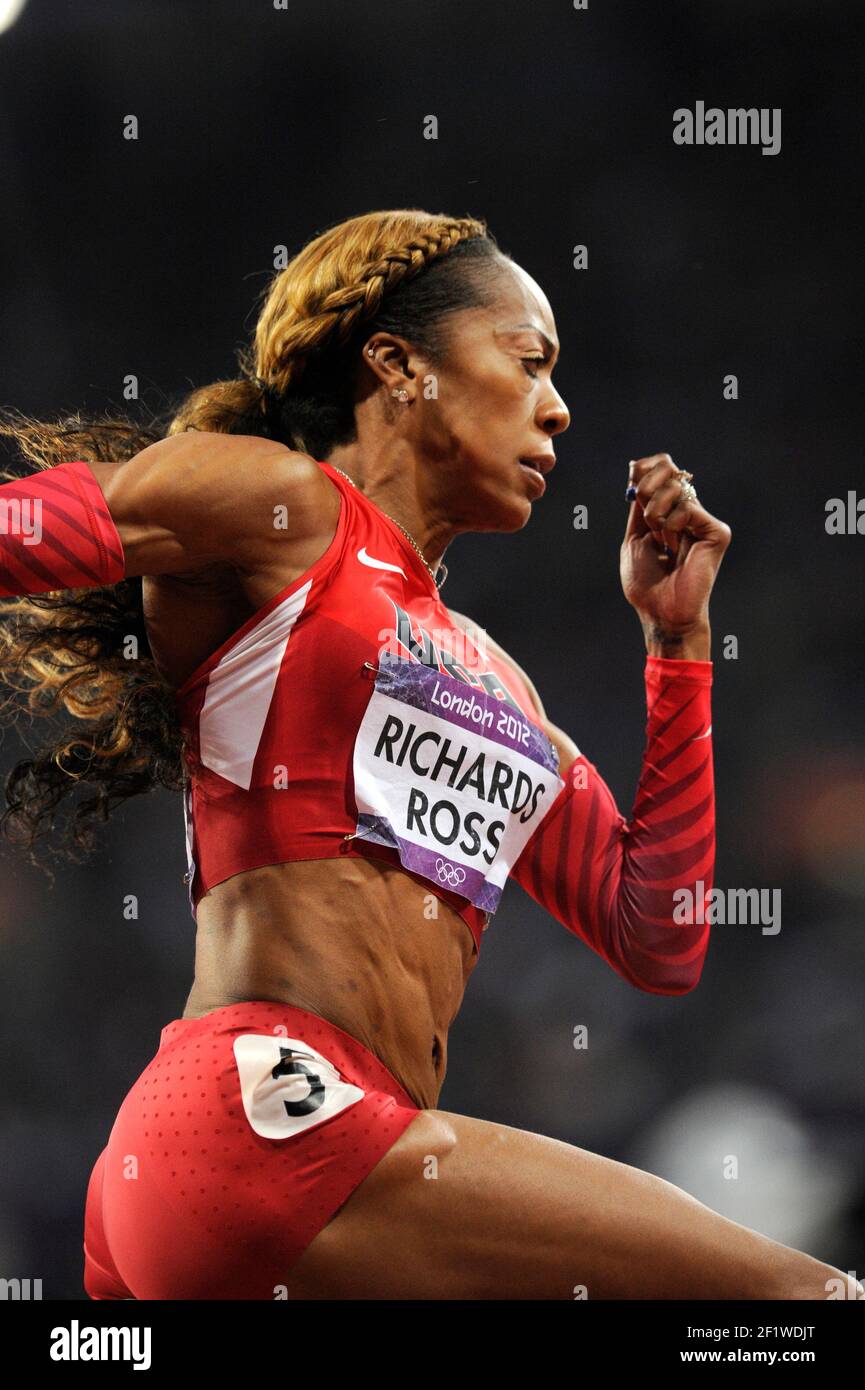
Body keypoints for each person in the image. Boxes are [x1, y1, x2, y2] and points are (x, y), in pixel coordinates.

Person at [0, 209, 859, 1301]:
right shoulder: (281, 507)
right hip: (265, 1116)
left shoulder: (500, 686)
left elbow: (660, 936)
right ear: (400, 367)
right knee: (798, 1301)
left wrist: (677, 648)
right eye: (528, 359)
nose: (557, 406)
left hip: (290, 1171)